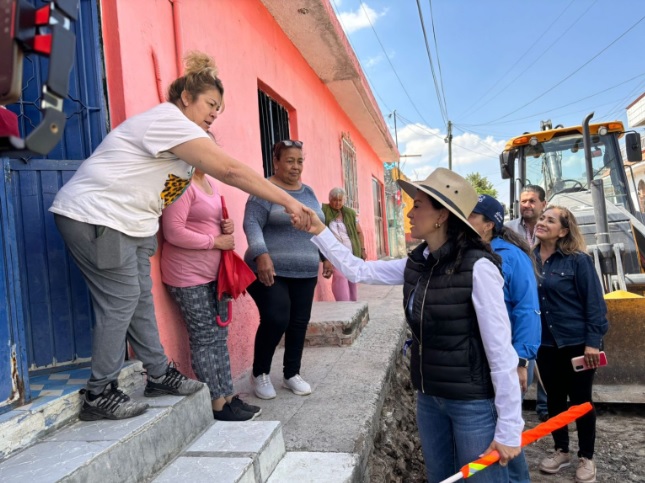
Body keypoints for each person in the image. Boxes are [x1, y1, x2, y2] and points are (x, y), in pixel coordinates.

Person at [48, 51, 312, 421]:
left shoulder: (185, 144)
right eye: (209, 104)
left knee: (139, 301)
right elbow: (230, 169)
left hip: (132, 225)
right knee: (120, 302)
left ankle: (157, 374)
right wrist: (289, 201)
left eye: (219, 108)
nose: (214, 113)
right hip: (98, 217)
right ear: (186, 98)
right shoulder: (167, 120)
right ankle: (99, 393)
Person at [303, 168, 523, 482]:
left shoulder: (478, 268)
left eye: (418, 205)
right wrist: (318, 229)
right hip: (429, 399)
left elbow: (501, 353)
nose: (409, 212)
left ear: (442, 216)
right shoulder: (417, 263)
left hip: (472, 405)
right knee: (440, 478)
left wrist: (510, 427)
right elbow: (357, 270)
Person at [161, 142, 261, 420]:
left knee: (219, 337)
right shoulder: (177, 182)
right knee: (204, 338)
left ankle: (229, 396)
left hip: (213, 275)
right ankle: (216, 404)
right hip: (186, 276)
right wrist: (215, 240)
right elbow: (172, 231)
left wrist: (223, 226)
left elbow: (204, 220)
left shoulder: (209, 183)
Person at [244, 140, 332, 400]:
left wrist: (326, 255)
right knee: (276, 318)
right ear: (277, 162)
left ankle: (291, 374)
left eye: (300, 161)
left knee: (298, 323)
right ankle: (259, 373)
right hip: (269, 269)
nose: (296, 166)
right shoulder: (264, 189)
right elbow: (251, 223)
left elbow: (318, 225)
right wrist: (261, 254)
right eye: (290, 160)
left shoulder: (309, 193)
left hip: (305, 270)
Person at [469, 194, 541, 483]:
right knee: (496, 430)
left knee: (507, 434)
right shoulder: (471, 254)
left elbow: (527, 309)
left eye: (471, 216)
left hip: (511, 359)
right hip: (486, 359)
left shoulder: (510, 256)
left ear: (488, 224)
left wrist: (522, 361)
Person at [534, 206, 607, 483]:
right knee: (554, 399)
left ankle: (586, 457)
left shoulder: (578, 261)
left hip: (577, 343)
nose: (542, 222)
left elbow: (595, 305)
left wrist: (593, 343)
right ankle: (561, 450)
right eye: (542, 218)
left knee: (581, 401)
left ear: (563, 230)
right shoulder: (529, 259)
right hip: (545, 344)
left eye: (550, 220)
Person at [505, 184, 549, 421]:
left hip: (547, 298)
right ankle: (515, 415)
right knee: (527, 357)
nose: (527, 205)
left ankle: (545, 408)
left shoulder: (551, 228)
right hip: (522, 298)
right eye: (523, 201)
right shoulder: (508, 230)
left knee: (547, 355)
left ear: (544, 203)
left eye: (532, 201)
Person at [321, 187, 366, 301]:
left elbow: (359, 232)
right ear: (329, 199)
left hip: (351, 252)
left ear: (344, 200)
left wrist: (362, 250)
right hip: (335, 253)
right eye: (335, 200)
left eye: (340, 200)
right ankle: (343, 304)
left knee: (352, 278)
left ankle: (353, 304)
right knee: (340, 277)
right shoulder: (324, 211)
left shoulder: (350, 213)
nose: (337, 203)